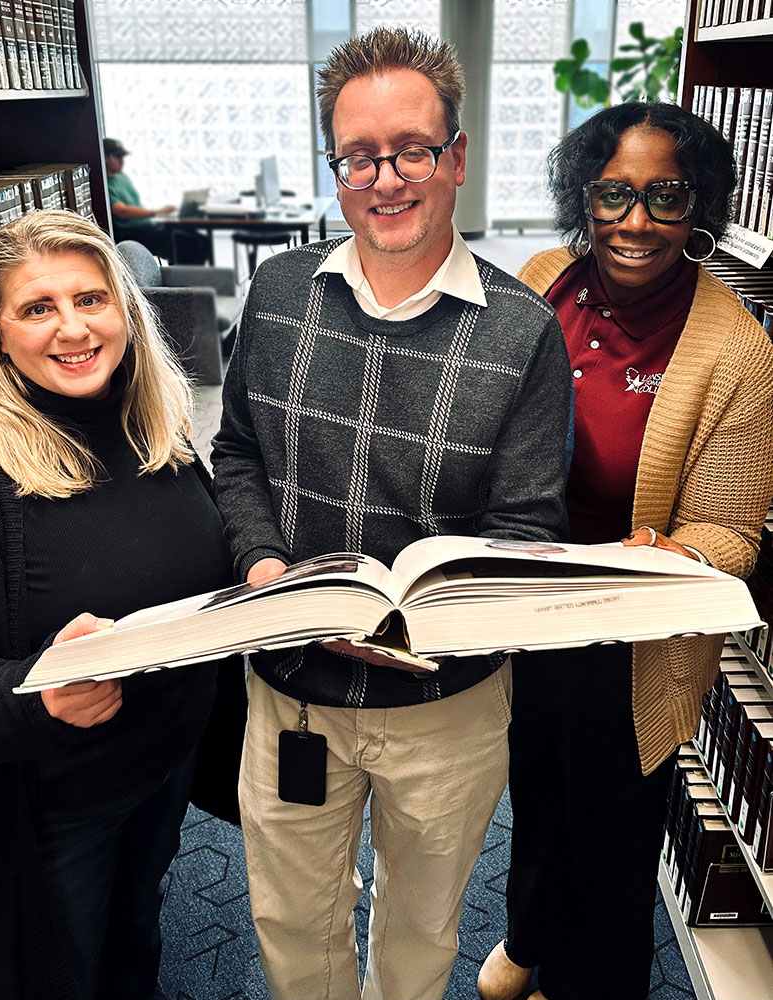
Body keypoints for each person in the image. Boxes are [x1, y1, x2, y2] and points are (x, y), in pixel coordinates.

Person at [211, 26, 571, 1000]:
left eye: (411, 149)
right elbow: (236, 451)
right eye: (358, 156)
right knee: (293, 915)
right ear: (336, 168)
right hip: (292, 694)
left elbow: (528, 531)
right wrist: (260, 571)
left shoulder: (524, 334)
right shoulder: (279, 292)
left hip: (444, 710)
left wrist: (427, 621)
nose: (387, 179)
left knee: (420, 925)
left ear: (455, 156)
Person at [477, 103, 773, 1000]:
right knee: (535, 790)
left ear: (701, 207)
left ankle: (591, 982)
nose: (635, 221)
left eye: (664, 196)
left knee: (611, 834)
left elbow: (734, 531)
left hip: (634, 636)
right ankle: (526, 942)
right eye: (613, 194)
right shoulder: (538, 280)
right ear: (583, 197)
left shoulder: (736, 348)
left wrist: (670, 550)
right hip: (529, 610)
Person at [0, 210, 236, 1000]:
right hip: (48, 809)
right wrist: (41, 689)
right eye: (37, 308)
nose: (72, 329)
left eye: (90, 299)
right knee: (51, 975)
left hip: (160, 770)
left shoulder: (155, 424)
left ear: (124, 306)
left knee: (134, 946)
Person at [104, 137, 209, 264]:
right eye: (117, 157)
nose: (122, 161)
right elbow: (122, 211)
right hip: (133, 233)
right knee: (189, 243)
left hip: (147, 226)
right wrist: (158, 212)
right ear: (105, 158)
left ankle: (198, 279)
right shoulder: (105, 186)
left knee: (203, 240)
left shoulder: (122, 177)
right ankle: (187, 281)